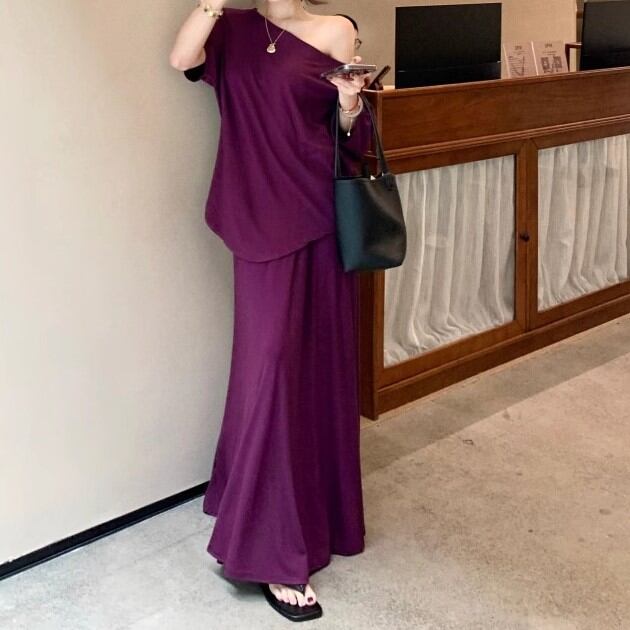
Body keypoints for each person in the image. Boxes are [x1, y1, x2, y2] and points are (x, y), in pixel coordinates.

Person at [169, 0, 373, 623]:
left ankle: (305, 525)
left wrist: (349, 103)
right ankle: (266, 537)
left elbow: (349, 131)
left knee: (310, 367)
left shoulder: (336, 30)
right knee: (269, 370)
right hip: (258, 213)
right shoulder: (231, 26)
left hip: (318, 211)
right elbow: (181, 58)